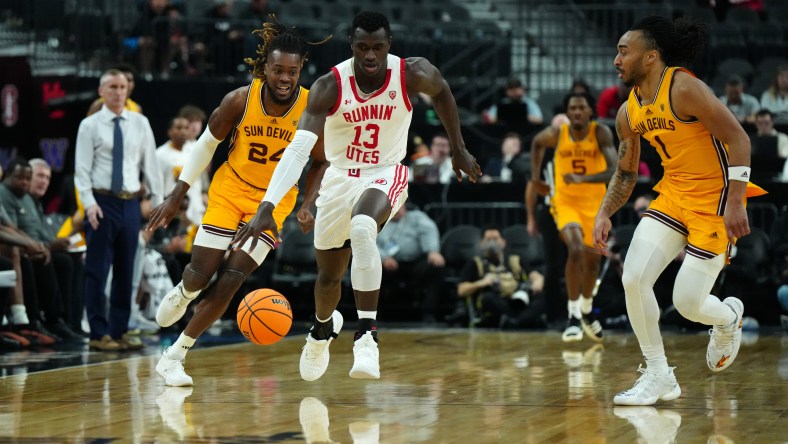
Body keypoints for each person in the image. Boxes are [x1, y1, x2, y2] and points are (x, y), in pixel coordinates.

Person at [232, 11, 481, 382]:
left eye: (377, 47)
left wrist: (458, 147)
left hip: (387, 171)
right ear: (352, 45)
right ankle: (320, 331)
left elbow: (443, 92)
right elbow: (299, 151)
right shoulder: (328, 86)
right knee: (329, 278)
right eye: (362, 47)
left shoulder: (413, 72)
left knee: (364, 227)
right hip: (338, 178)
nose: (370, 55)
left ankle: (367, 336)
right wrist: (267, 206)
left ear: (388, 45)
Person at [145, 16, 331, 386]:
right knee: (201, 274)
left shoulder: (313, 108)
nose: (284, 78)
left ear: (300, 71)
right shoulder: (240, 100)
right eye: (277, 70)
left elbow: (322, 160)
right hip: (231, 190)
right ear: (264, 68)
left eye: (292, 72)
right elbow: (206, 146)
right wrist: (176, 194)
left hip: (274, 203)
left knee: (232, 279)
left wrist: (307, 203)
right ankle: (185, 292)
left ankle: (175, 355)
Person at [593, 16, 765, 406]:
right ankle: (658, 375)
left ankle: (727, 318)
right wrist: (604, 213)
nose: (616, 60)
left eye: (624, 51)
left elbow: (739, 139)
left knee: (688, 303)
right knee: (634, 276)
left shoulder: (684, 87)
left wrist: (737, 200)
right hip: (673, 195)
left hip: (716, 200)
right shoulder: (627, 112)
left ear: (650, 56)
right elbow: (625, 171)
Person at [75, 68, 163, 351]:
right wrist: (88, 204)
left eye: (122, 86)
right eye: (111, 86)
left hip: (130, 203)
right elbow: (81, 171)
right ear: (101, 91)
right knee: (97, 270)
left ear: (128, 90)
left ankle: (119, 330)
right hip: (101, 202)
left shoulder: (140, 123)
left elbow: (151, 166)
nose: (117, 91)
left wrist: (158, 201)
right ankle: (98, 333)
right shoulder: (89, 125)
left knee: (127, 270)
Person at [527, 91, 617, 342]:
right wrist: (535, 179)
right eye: (572, 108)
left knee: (592, 263)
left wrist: (583, 179)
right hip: (565, 203)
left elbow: (613, 170)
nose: (577, 112)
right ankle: (573, 315)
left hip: (595, 205)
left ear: (590, 111)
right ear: (567, 113)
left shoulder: (600, 133)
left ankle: (587, 310)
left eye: (581, 108)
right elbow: (536, 143)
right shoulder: (558, 134)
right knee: (575, 249)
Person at [456, 226, 545, 329]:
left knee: (542, 297)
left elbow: (536, 276)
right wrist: (481, 283)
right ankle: (523, 321)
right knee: (488, 298)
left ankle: (515, 323)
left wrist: (538, 281)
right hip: (497, 302)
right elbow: (461, 290)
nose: (492, 243)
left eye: (495, 239)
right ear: (481, 243)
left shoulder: (515, 260)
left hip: (518, 300)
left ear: (503, 242)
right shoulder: (475, 263)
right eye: (488, 240)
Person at [376, 204, 445, 323]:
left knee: (435, 268)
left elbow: (429, 232)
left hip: (415, 261)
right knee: (370, 271)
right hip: (387, 263)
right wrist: (384, 258)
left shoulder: (417, 217)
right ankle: (376, 314)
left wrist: (432, 251)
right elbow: (370, 242)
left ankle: (429, 313)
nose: (397, 210)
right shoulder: (377, 221)